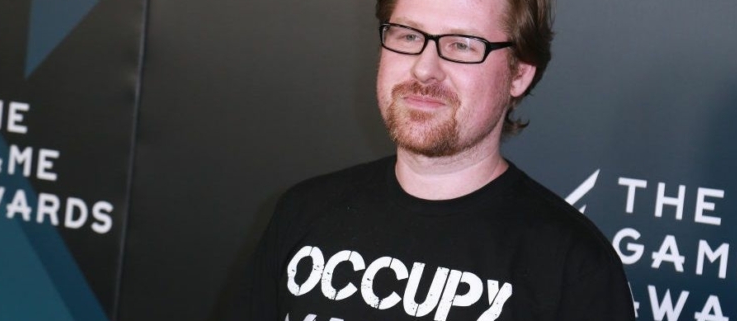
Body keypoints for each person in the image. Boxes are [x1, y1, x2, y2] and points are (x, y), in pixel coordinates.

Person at [232, 0, 636, 320]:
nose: (425, 69)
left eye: (461, 45)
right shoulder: (303, 211)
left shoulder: (574, 266)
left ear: (519, 75)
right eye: (408, 36)